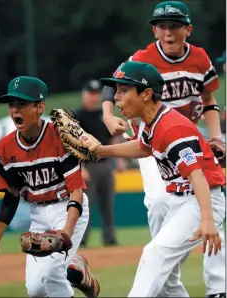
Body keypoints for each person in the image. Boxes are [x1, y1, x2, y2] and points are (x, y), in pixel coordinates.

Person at [101, 2, 226, 297]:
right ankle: (166, 270)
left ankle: (218, 287)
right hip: (151, 141)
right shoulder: (143, 59)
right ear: (154, 29)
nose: (168, 32)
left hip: (181, 139)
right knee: (158, 203)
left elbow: (208, 98)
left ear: (188, 29)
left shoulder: (198, 58)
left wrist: (217, 137)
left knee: (207, 203)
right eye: (161, 26)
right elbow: (113, 85)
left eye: (174, 25)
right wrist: (106, 121)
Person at [0, 76, 100, 298]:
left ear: (39, 107)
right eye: (12, 104)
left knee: (52, 275)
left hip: (68, 208)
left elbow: (76, 189)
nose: (15, 110)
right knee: (36, 290)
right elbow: (11, 196)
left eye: (22, 104)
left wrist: (67, 230)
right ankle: (77, 268)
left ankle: (70, 263)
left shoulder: (59, 137)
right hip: (38, 215)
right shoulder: (5, 148)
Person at [75, 79, 125, 246]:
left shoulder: (103, 116)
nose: (94, 97)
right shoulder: (77, 116)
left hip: (105, 165)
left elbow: (112, 138)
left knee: (108, 204)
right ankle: (81, 239)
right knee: (85, 205)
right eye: (91, 94)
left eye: (96, 94)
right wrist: (80, 167)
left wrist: (119, 160)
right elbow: (73, 144)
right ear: (84, 95)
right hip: (87, 165)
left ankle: (109, 239)